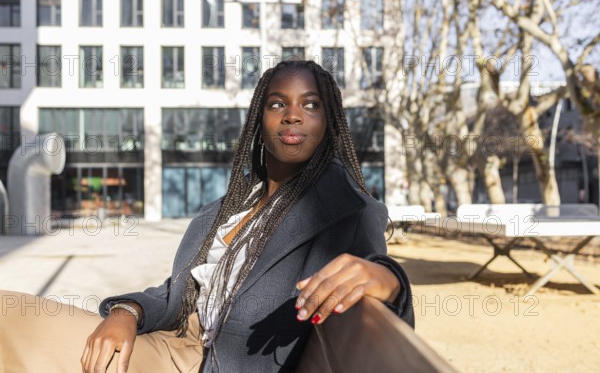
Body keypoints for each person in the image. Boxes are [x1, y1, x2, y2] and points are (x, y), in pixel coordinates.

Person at [0, 60, 413, 372]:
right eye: (277, 104)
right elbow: (177, 293)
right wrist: (127, 313)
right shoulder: (227, 209)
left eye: (311, 105)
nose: (292, 115)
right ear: (259, 120)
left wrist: (390, 281)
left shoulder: (346, 207)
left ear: (329, 123)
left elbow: (376, 290)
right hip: (174, 347)